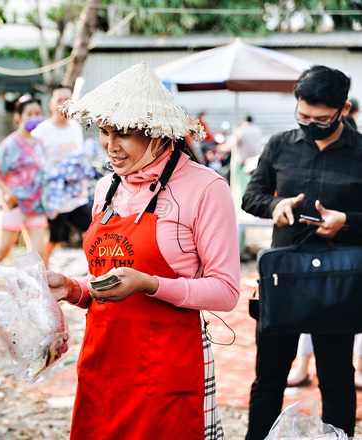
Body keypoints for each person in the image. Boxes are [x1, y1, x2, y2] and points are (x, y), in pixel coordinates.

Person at [46, 62, 240, 439]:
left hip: (166, 367)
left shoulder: (205, 188)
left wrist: (150, 284)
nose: (111, 146)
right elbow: (107, 278)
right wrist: (74, 289)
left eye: (124, 135)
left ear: (156, 134)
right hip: (104, 362)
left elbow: (226, 290)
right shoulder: (108, 188)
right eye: (104, 132)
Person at [242, 65, 362, 439]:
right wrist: (273, 206)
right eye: (303, 116)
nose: (311, 124)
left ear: (343, 109)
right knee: (269, 377)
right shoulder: (279, 144)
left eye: (321, 119)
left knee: (337, 378)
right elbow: (251, 196)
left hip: (338, 279)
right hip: (284, 276)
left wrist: (347, 221)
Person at [0, 95, 48, 265]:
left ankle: (35, 291)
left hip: (36, 206)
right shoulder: (11, 144)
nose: (34, 117)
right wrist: (8, 191)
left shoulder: (40, 143)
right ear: (18, 117)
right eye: (30, 113)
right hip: (13, 205)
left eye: (38, 113)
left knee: (38, 255)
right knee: (2, 251)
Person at [31, 85, 93, 263]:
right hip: (55, 199)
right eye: (59, 100)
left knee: (91, 233)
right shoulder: (41, 132)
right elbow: (35, 165)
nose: (63, 104)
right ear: (50, 104)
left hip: (76, 197)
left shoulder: (75, 127)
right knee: (53, 240)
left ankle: (96, 271)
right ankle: (43, 275)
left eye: (67, 100)